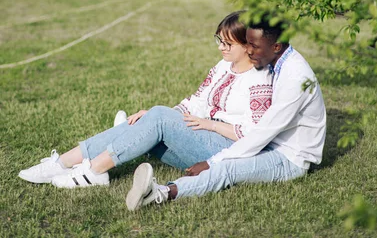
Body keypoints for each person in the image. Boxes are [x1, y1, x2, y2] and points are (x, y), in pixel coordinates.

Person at [19, 11, 273, 189]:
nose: (221, 48)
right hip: (201, 138)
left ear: (248, 45)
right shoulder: (223, 66)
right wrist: (158, 117)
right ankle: (62, 162)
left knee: (157, 119)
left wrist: (211, 125)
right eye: (219, 40)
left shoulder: (260, 79)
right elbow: (195, 102)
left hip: (226, 152)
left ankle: (94, 170)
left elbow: (253, 135)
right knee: (149, 122)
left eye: (228, 43)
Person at [124, 14, 327, 210]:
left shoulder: (295, 79)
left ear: (276, 46)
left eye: (254, 46)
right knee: (176, 145)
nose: (248, 51)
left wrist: (212, 162)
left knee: (226, 169)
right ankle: (133, 136)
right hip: (269, 144)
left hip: (288, 157)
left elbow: (262, 133)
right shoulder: (279, 60)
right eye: (247, 43)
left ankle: (160, 193)